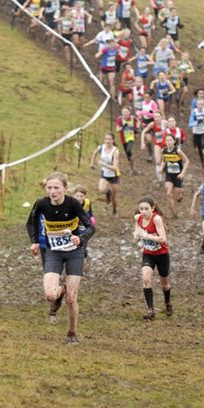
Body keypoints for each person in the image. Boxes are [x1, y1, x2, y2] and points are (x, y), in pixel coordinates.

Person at [27, 172, 96, 344]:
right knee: (50, 295)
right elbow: (31, 222)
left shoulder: (73, 204)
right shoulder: (41, 204)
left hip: (74, 252)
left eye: (56, 188)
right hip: (54, 252)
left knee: (71, 299)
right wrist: (35, 242)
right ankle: (61, 290)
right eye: (49, 188)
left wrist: (81, 239)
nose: (52, 191)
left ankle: (72, 333)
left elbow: (91, 227)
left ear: (65, 188)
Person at [133, 197, 172, 320]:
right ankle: (150, 310)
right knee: (145, 279)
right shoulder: (138, 218)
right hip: (148, 254)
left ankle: (168, 303)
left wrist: (146, 236)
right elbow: (136, 236)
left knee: (165, 284)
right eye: (141, 209)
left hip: (162, 254)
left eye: (146, 209)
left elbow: (163, 239)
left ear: (152, 208)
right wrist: (137, 238)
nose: (143, 212)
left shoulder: (156, 219)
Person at [89, 133, 121, 216]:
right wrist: (92, 163)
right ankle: (107, 193)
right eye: (106, 139)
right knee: (101, 189)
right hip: (105, 173)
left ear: (113, 140)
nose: (107, 141)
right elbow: (94, 153)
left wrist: (104, 164)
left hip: (114, 175)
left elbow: (115, 168)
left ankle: (114, 210)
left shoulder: (115, 151)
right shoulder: (101, 147)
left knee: (113, 197)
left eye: (109, 139)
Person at [160, 133, 190, 218]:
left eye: (170, 140)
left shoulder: (178, 151)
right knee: (168, 193)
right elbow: (164, 161)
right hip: (169, 175)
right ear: (165, 142)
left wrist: (182, 173)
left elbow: (187, 161)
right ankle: (173, 214)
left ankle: (180, 193)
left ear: (174, 141)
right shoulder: (163, 151)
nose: (168, 142)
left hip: (178, 176)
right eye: (167, 140)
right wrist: (161, 168)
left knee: (176, 198)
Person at [115, 107, 138, 174]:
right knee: (128, 154)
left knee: (128, 150)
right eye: (124, 112)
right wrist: (123, 127)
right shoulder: (119, 119)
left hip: (131, 138)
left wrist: (137, 131)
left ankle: (132, 168)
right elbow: (117, 129)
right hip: (124, 139)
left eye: (126, 112)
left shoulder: (133, 118)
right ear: (122, 113)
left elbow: (139, 122)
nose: (125, 114)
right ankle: (132, 168)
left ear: (129, 113)